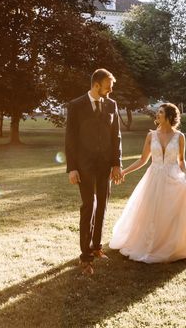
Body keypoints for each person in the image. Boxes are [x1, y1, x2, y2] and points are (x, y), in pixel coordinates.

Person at [110, 103, 186, 263]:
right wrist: (124, 172)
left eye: (161, 112)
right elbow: (143, 160)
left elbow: (181, 160)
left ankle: (171, 244)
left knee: (170, 213)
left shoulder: (180, 136)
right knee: (151, 211)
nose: (157, 114)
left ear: (169, 116)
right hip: (154, 178)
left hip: (173, 178)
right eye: (157, 112)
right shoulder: (151, 136)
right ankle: (150, 244)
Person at [65, 68, 123, 275]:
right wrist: (71, 168)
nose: (111, 89)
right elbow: (70, 139)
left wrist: (117, 164)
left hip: (105, 165)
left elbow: (116, 137)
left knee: (102, 206)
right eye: (108, 85)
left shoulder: (111, 105)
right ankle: (85, 257)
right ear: (96, 84)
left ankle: (97, 247)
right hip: (84, 166)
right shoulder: (76, 105)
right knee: (89, 205)